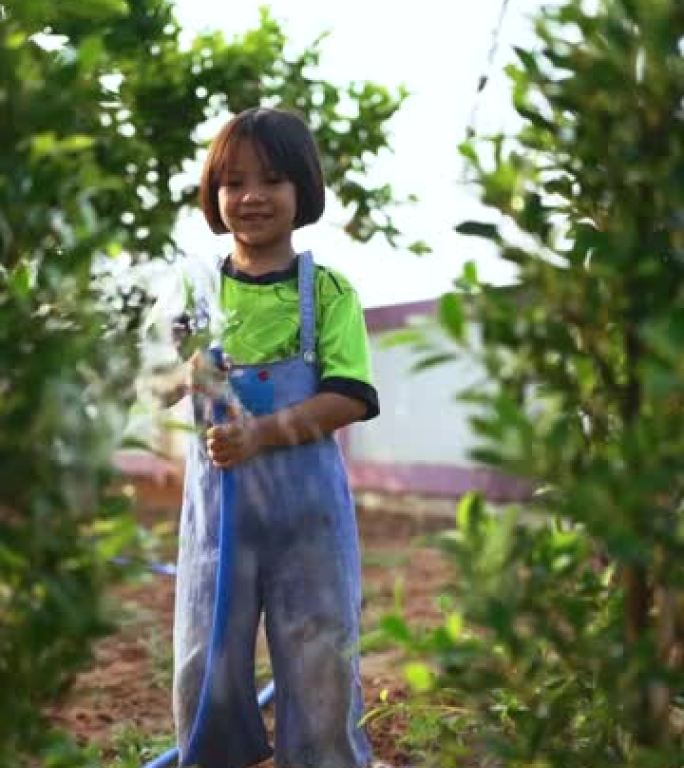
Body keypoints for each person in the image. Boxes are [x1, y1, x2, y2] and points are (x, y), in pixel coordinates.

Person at [168, 106, 379, 768]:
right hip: (218, 522)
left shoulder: (329, 292)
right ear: (213, 193)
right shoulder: (194, 291)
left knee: (321, 652)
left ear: (304, 191)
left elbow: (349, 397)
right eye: (233, 182)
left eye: (274, 179)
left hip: (307, 520)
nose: (252, 196)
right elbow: (156, 381)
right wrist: (184, 374)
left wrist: (261, 436)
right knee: (207, 658)